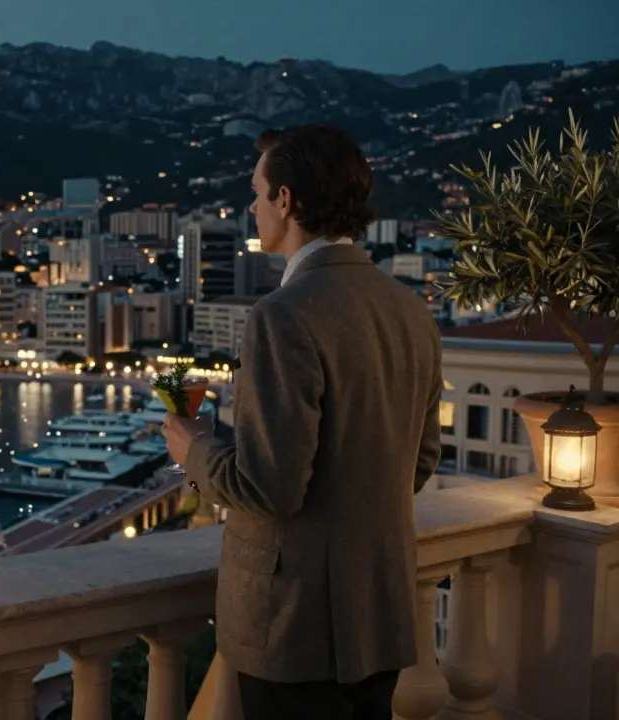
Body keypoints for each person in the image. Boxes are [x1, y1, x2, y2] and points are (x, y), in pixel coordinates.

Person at [162, 124, 443, 720]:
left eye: (257, 192)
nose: (251, 206)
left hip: (295, 627)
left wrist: (195, 450)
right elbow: (418, 463)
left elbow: (268, 488)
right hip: (380, 614)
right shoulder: (411, 310)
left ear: (286, 200)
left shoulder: (282, 316)